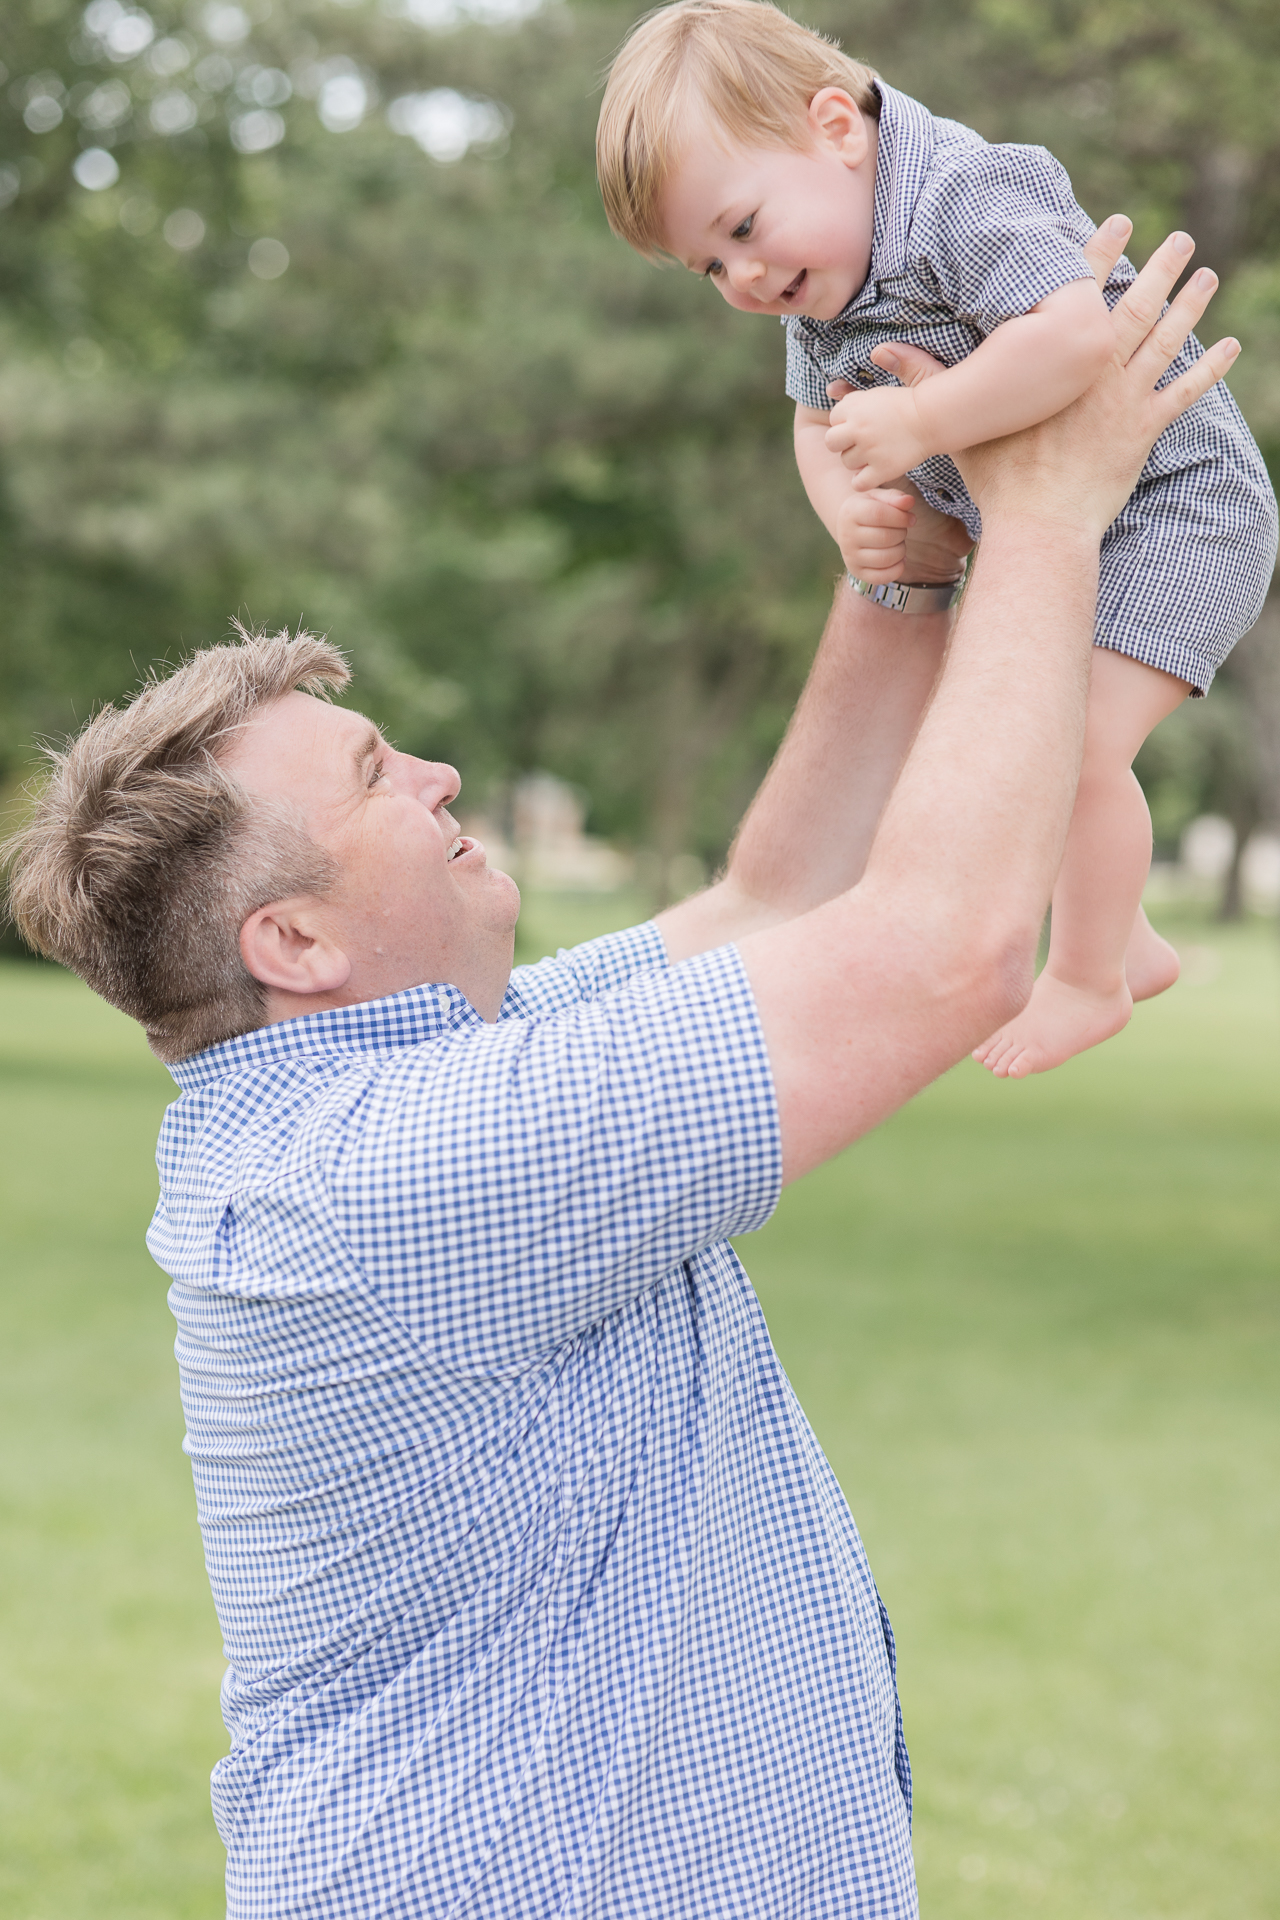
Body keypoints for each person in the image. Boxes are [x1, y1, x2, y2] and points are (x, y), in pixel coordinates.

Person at [3, 231, 1230, 1918]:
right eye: (376, 774)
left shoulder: (421, 1080)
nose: (437, 772)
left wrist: (897, 572)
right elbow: (943, 952)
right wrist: (1043, 519)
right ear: (292, 943)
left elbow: (780, 902)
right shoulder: (406, 1170)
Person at [596, 0, 1279, 1080]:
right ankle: (1126, 936)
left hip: (1174, 506)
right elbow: (814, 421)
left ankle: (1089, 976)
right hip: (1070, 526)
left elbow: (1066, 338)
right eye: (707, 270)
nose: (742, 280)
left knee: (1066, 747)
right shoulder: (819, 287)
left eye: (738, 230)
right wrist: (846, 510)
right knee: (1014, 737)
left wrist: (919, 423)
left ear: (835, 127)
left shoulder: (965, 192)